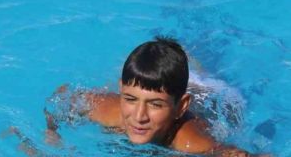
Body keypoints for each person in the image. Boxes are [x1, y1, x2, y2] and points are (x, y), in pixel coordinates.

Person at [43, 37, 259, 156]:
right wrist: (52, 133)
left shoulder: (188, 141)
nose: (139, 116)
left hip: (212, 97)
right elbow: (63, 97)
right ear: (121, 91)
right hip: (169, 87)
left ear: (181, 107)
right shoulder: (109, 111)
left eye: (155, 105)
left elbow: (225, 152)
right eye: (130, 99)